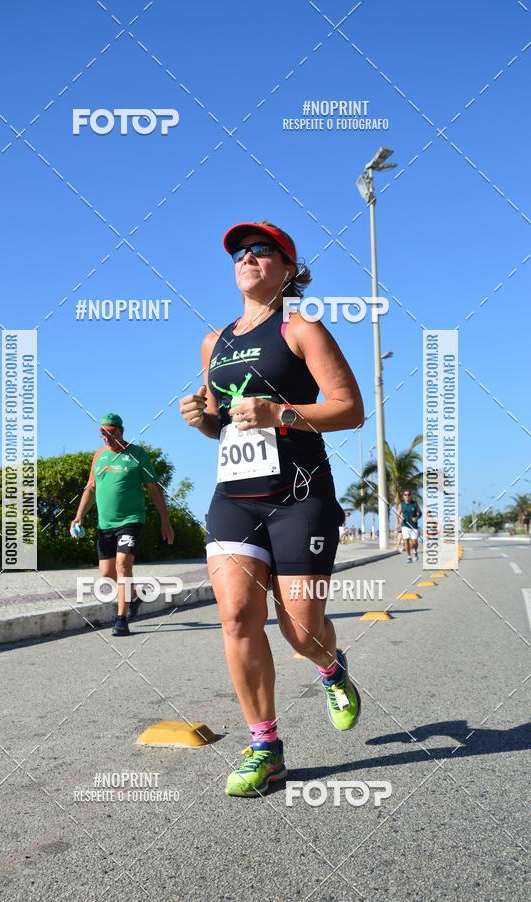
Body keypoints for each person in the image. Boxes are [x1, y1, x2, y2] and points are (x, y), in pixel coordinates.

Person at [179, 220, 364, 797]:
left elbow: (350, 409)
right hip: (235, 497)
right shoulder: (214, 342)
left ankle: (330, 667)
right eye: (239, 252)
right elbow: (225, 424)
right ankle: (266, 747)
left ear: (288, 269)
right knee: (237, 616)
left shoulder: (301, 328)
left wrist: (280, 413)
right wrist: (203, 419)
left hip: (300, 496)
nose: (247, 258)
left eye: (262, 250)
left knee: (300, 630)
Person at [71, 413, 175, 636]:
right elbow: (91, 487)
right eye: (102, 434)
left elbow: (154, 488)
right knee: (106, 574)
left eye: (110, 433)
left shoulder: (137, 454)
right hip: (105, 524)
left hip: (131, 521)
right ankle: (134, 595)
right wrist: (79, 515)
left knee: (122, 565)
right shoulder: (99, 456)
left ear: (121, 431)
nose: (106, 438)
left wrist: (165, 521)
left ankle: (121, 619)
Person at [397, 489, 422, 563]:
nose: (407, 496)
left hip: (414, 526)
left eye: (408, 494)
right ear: (403, 496)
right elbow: (398, 515)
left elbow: (420, 513)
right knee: (406, 541)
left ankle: (415, 552)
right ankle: (409, 557)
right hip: (405, 525)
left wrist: (416, 518)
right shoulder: (401, 505)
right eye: (405, 495)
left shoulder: (415, 504)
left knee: (414, 542)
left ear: (411, 496)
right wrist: (400, 519)